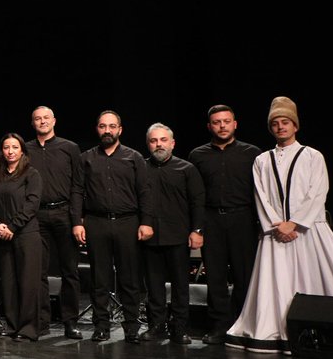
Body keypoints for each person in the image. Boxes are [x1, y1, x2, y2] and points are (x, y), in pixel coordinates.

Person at [225, 97, 333, 352]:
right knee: (277, 282)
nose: (280, 127)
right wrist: (277, 225)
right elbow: (261, 196)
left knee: (321, 276)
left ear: (295, 125)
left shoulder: (312, 156)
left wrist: (295, 223)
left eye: (285, 122)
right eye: (275, 123)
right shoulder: (262, 160)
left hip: (308, 230)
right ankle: (277, 329)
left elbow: (318, 192)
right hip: (275, 233)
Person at [72, 110, 153, 343]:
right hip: (96, 222)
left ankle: (131, 327)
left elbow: (144, 192)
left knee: (130, 279)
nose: (107, 130)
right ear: (97, 129)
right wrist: (77, 222)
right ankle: (101, 326)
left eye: (111, 126)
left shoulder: (134, 157)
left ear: (120, 129)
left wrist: (146, 222)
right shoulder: (85, 158)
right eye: (102, 126)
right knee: (99, 279)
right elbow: (77, 191)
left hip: (128, 222)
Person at [188, 105, 261, 344]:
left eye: (226, 121)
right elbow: (195, 196)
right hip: (212, 220)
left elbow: (261, 192)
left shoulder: (252, 153)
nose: (222, 126)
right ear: (209, 126)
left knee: (244, 276)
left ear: (235, 124)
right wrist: (197, 228)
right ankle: (219, 326)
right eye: (217, 122)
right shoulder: (197, 155)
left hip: (243, 219)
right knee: (215, 277)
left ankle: (243, 325)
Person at [141, 123, 205, 345]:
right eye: (153, 141)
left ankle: (179, 328)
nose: (158, 144)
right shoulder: (141, 168)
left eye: (163, 140)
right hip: (149, 238)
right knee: (153, 286)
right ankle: (156, 326)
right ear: (148, 144)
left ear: (173, 143)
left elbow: (198, 202)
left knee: (180, 286)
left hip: (178, 236)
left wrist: (197, 230)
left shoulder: (187, 169)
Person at [26, 106, 84, 340]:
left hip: (64, 214)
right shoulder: (25, 149)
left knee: (70, 271)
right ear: (33, 123)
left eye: (46, 118)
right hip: (36, 216)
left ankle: (70, 322)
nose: (42, 122)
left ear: (54, 121)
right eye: (37, 119)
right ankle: (42, 322)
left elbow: (78, 186)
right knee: (38, 271)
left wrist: (77, 220)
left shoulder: (70, 148)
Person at [0, 133, 43, 341]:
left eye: (15, 147)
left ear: (22, 151)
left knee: (28, 283)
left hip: (26, 234)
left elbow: (32, 205)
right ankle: (12, 325)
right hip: (3, 235)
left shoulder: (32, 174)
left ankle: (28, 329)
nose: (10, 151)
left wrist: (13, 226)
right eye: (6, 147)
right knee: (8, 283)